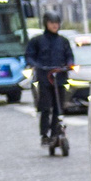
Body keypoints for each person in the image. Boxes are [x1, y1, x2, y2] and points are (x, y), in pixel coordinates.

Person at [24, 14, 74, 148]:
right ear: (46, 23)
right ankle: (44, 134)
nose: (54, 25)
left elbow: (69, 56)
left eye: (57, 22)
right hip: (45, 78)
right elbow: (29, 56)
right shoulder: (37, 41)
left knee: (59, 107)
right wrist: (35, 65)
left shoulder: (63, 41)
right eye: (51, 22)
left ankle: (55, 132)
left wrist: (69, 64)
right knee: (46, 107)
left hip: (60, 78)